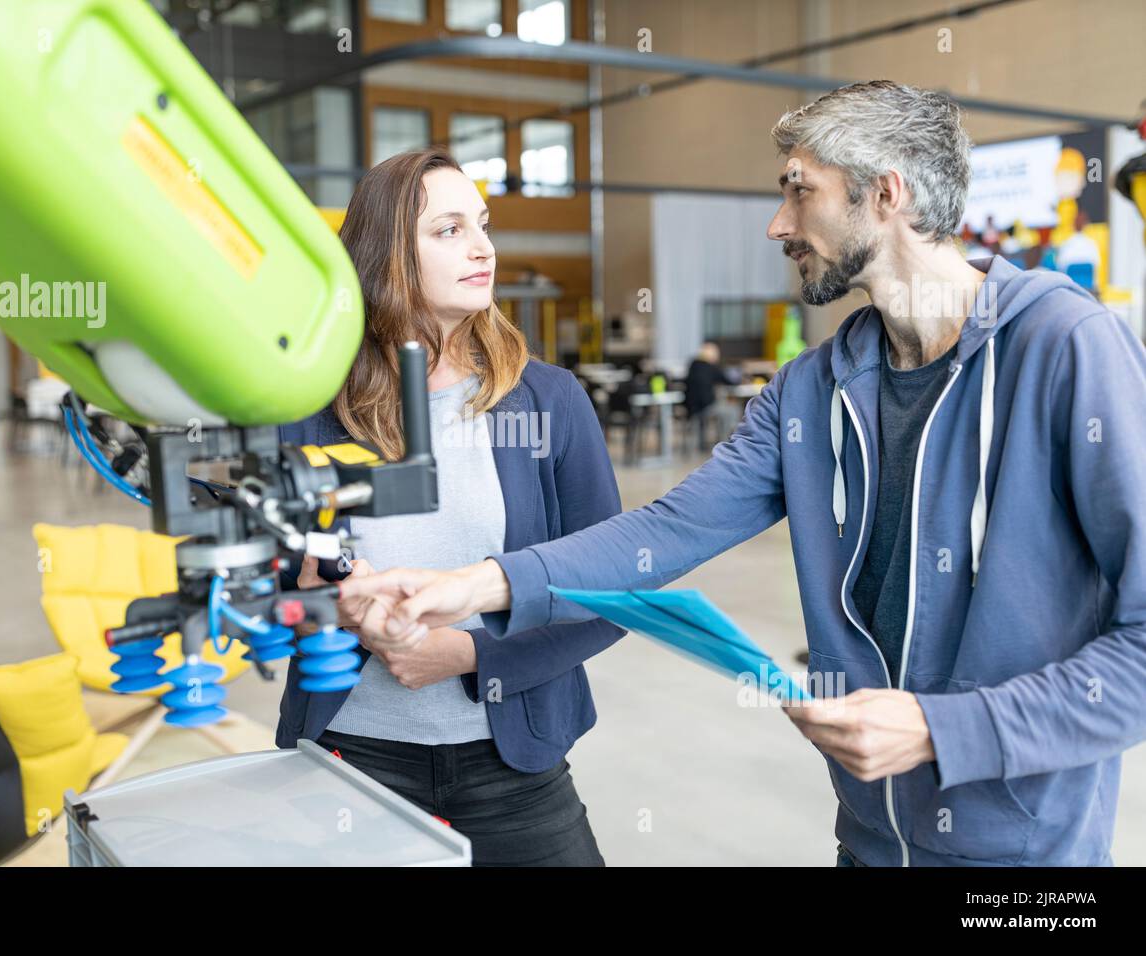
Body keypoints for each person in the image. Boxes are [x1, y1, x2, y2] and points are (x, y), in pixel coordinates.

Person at [340, 82, 1146, 867]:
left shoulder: (1065, 349)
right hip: (869, 841)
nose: (777, 224)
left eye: (800, 191)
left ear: (885, 193)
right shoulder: (813, 388)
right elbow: (666, 532)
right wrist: (474, 585)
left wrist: (947, 731)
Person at [276, 146, 624, 866]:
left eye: (483, 225)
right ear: (386, 255)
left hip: (513, 765)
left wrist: (470, 656)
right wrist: (306, 595)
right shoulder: (310, 409)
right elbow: (268, 584)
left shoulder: (547, 401)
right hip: (351, 752)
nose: (483, 248)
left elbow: (615, 594)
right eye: (449, 230)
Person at [683, 339, 740, 451]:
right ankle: (726, 442)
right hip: (706, 406)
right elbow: (728, 380)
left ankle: (706, 443)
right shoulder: (710, 367)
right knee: (732, 410)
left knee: (722, 407)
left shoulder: (692, 366)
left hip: (691, 408)